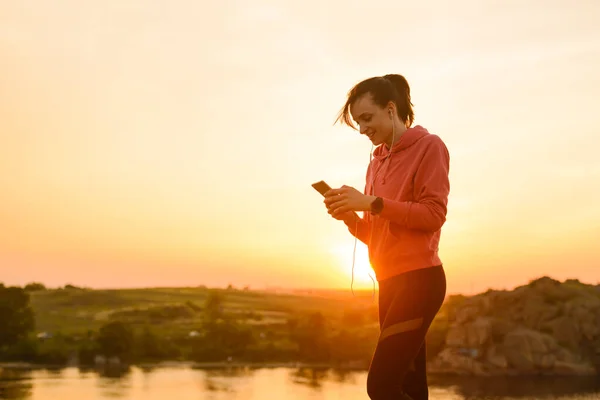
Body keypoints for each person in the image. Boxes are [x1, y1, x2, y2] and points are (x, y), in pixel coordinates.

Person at [323, 74, 450, 400]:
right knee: (410, 387)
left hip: (420, 282)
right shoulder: (375, 163)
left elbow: (433, 215)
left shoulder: (429, 147)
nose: (363, 129)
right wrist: (350, 218)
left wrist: (373, 203)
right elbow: (378, 234)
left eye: (367, 118)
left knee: (380, 386)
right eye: (358, 123)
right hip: (390, 283)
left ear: (391, 109)